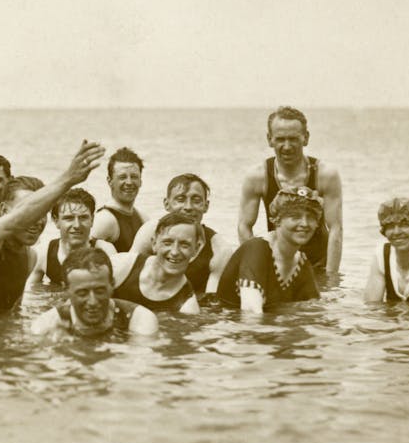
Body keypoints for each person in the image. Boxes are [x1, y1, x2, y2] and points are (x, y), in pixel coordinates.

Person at [0, 140, 105, 334]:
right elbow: (16, 221)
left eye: (42, 213)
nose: (36, 220)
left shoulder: (29, 257)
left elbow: (11, 316)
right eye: (30, 212)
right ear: (5, 210)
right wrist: (67, 179)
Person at [238, 106, 343, 276]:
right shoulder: (257, 176)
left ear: (305, 138)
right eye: (280, 139)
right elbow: (244, 226)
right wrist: (256, 266)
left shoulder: (325, 174)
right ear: (269, 139)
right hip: (277, 263)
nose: (287, 146)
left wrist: (331, 277)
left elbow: (336, 230)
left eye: (293, 139)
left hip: (318, 264)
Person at [218, 187, 323, 313]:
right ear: (276, 220)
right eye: (295, 216)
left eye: (311, 217)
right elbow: (250, 314)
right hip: (225, 325)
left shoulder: (301, 262)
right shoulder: (256, 249)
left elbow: (314, 310)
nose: (305, 223)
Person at [130, 174, 234, 297]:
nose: (188, 207)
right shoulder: (151, 232)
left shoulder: (219, 250)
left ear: (206, 206)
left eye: (196, 201)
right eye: (180, 199)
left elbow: (211, 302)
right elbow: (129, 275)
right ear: (166, 204)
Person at [31, 246, 157, 337]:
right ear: (66, 291)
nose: (92, 302)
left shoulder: (139, 319)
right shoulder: (46, 326)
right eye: (82, 293)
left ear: (112, 285)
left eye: (100, 291)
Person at [113, 212, 202, 314]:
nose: (174, 252)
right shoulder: (121, 265)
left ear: (196, 249)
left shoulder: (187, 308)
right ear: (154, 243)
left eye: (184, 245)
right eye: (167, 243)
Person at [29, 187, 116, 286]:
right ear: (56, 221)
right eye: (69, 218)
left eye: (83, 217)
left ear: (92, 220)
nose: (77, 225)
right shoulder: (44, 253)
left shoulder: (105, 251)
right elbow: (29, 293)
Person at [90, 147, 146, 252]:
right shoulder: (104, 219)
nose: (129, 182)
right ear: (109, 181)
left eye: (134, 176)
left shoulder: (143, 217)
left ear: (140, 181)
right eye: (122, 177)